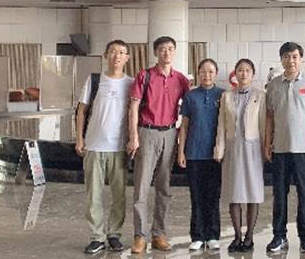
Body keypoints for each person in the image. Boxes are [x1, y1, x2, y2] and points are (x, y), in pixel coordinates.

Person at [126, 36, 190, 254]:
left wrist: (183, 140)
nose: (166, 52)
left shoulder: (181, 80)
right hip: (147, 132)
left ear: (175, 52)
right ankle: (140, 236)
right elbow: (134, 108)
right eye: (162, 49)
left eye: (170, 49)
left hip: (170, 134)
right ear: (155, 52)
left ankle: (159, 234)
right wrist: (134, 136)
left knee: (164, 187)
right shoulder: (144, 76)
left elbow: (188, 110)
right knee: (141, 187)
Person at [75, 39, 133, 254]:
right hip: (94, 146)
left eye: (121, 52)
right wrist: (79, 139)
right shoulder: (94, 80)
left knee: (119, 195)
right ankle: (97, 237)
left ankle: (114, 234)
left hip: (119, 147)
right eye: (113, 52)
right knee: (94, 195)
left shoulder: (131, 83)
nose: (117, 56)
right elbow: (81, 111)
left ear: (127, 58)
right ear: (105, 55)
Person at [264, 42, 305, 254]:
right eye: (287, 57)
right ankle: (279, 236)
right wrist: (267, 143)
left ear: (301, 59)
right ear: (281, 59)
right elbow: (269, 117)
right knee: (279, 195)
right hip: (279, 149)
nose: (291, 60)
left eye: (295, 56)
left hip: (304, 150)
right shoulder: (273, 85)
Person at [214, 58, 266, 253]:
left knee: (253, 192)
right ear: (235, 74)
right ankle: (237, 236)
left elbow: (264, 125)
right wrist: (219, 148)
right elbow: (221, 125)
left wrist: (266, 149)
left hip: (253, 148)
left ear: (253, 74)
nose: (244, 74)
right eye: (240, 70)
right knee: (233, 192)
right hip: (232, 147)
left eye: (247, 70)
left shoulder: (260, 96)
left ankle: (249, 236)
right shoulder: (227, 96)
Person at [177, 59, 224, 251]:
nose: (207, 75)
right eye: (203, 71)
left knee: (213, 196)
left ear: (216, 73)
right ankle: (197, 235)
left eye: (210, 71)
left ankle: (212, 235)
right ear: (198, 73)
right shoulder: (190, 96)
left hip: (215, 155)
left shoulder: (223, 95)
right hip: (194, 154)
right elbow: (184, 126)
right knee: (196, 196)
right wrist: (181, 151)